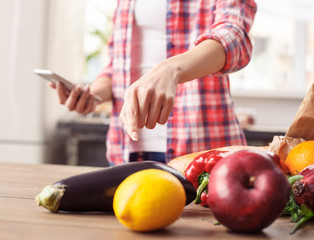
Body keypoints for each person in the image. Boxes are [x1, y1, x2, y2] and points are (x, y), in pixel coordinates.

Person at [52, 0, 257, 165]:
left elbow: (233, 37)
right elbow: (118, 66)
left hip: (201, 153)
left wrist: (169, 69)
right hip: (126, 153)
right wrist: (93, 95)